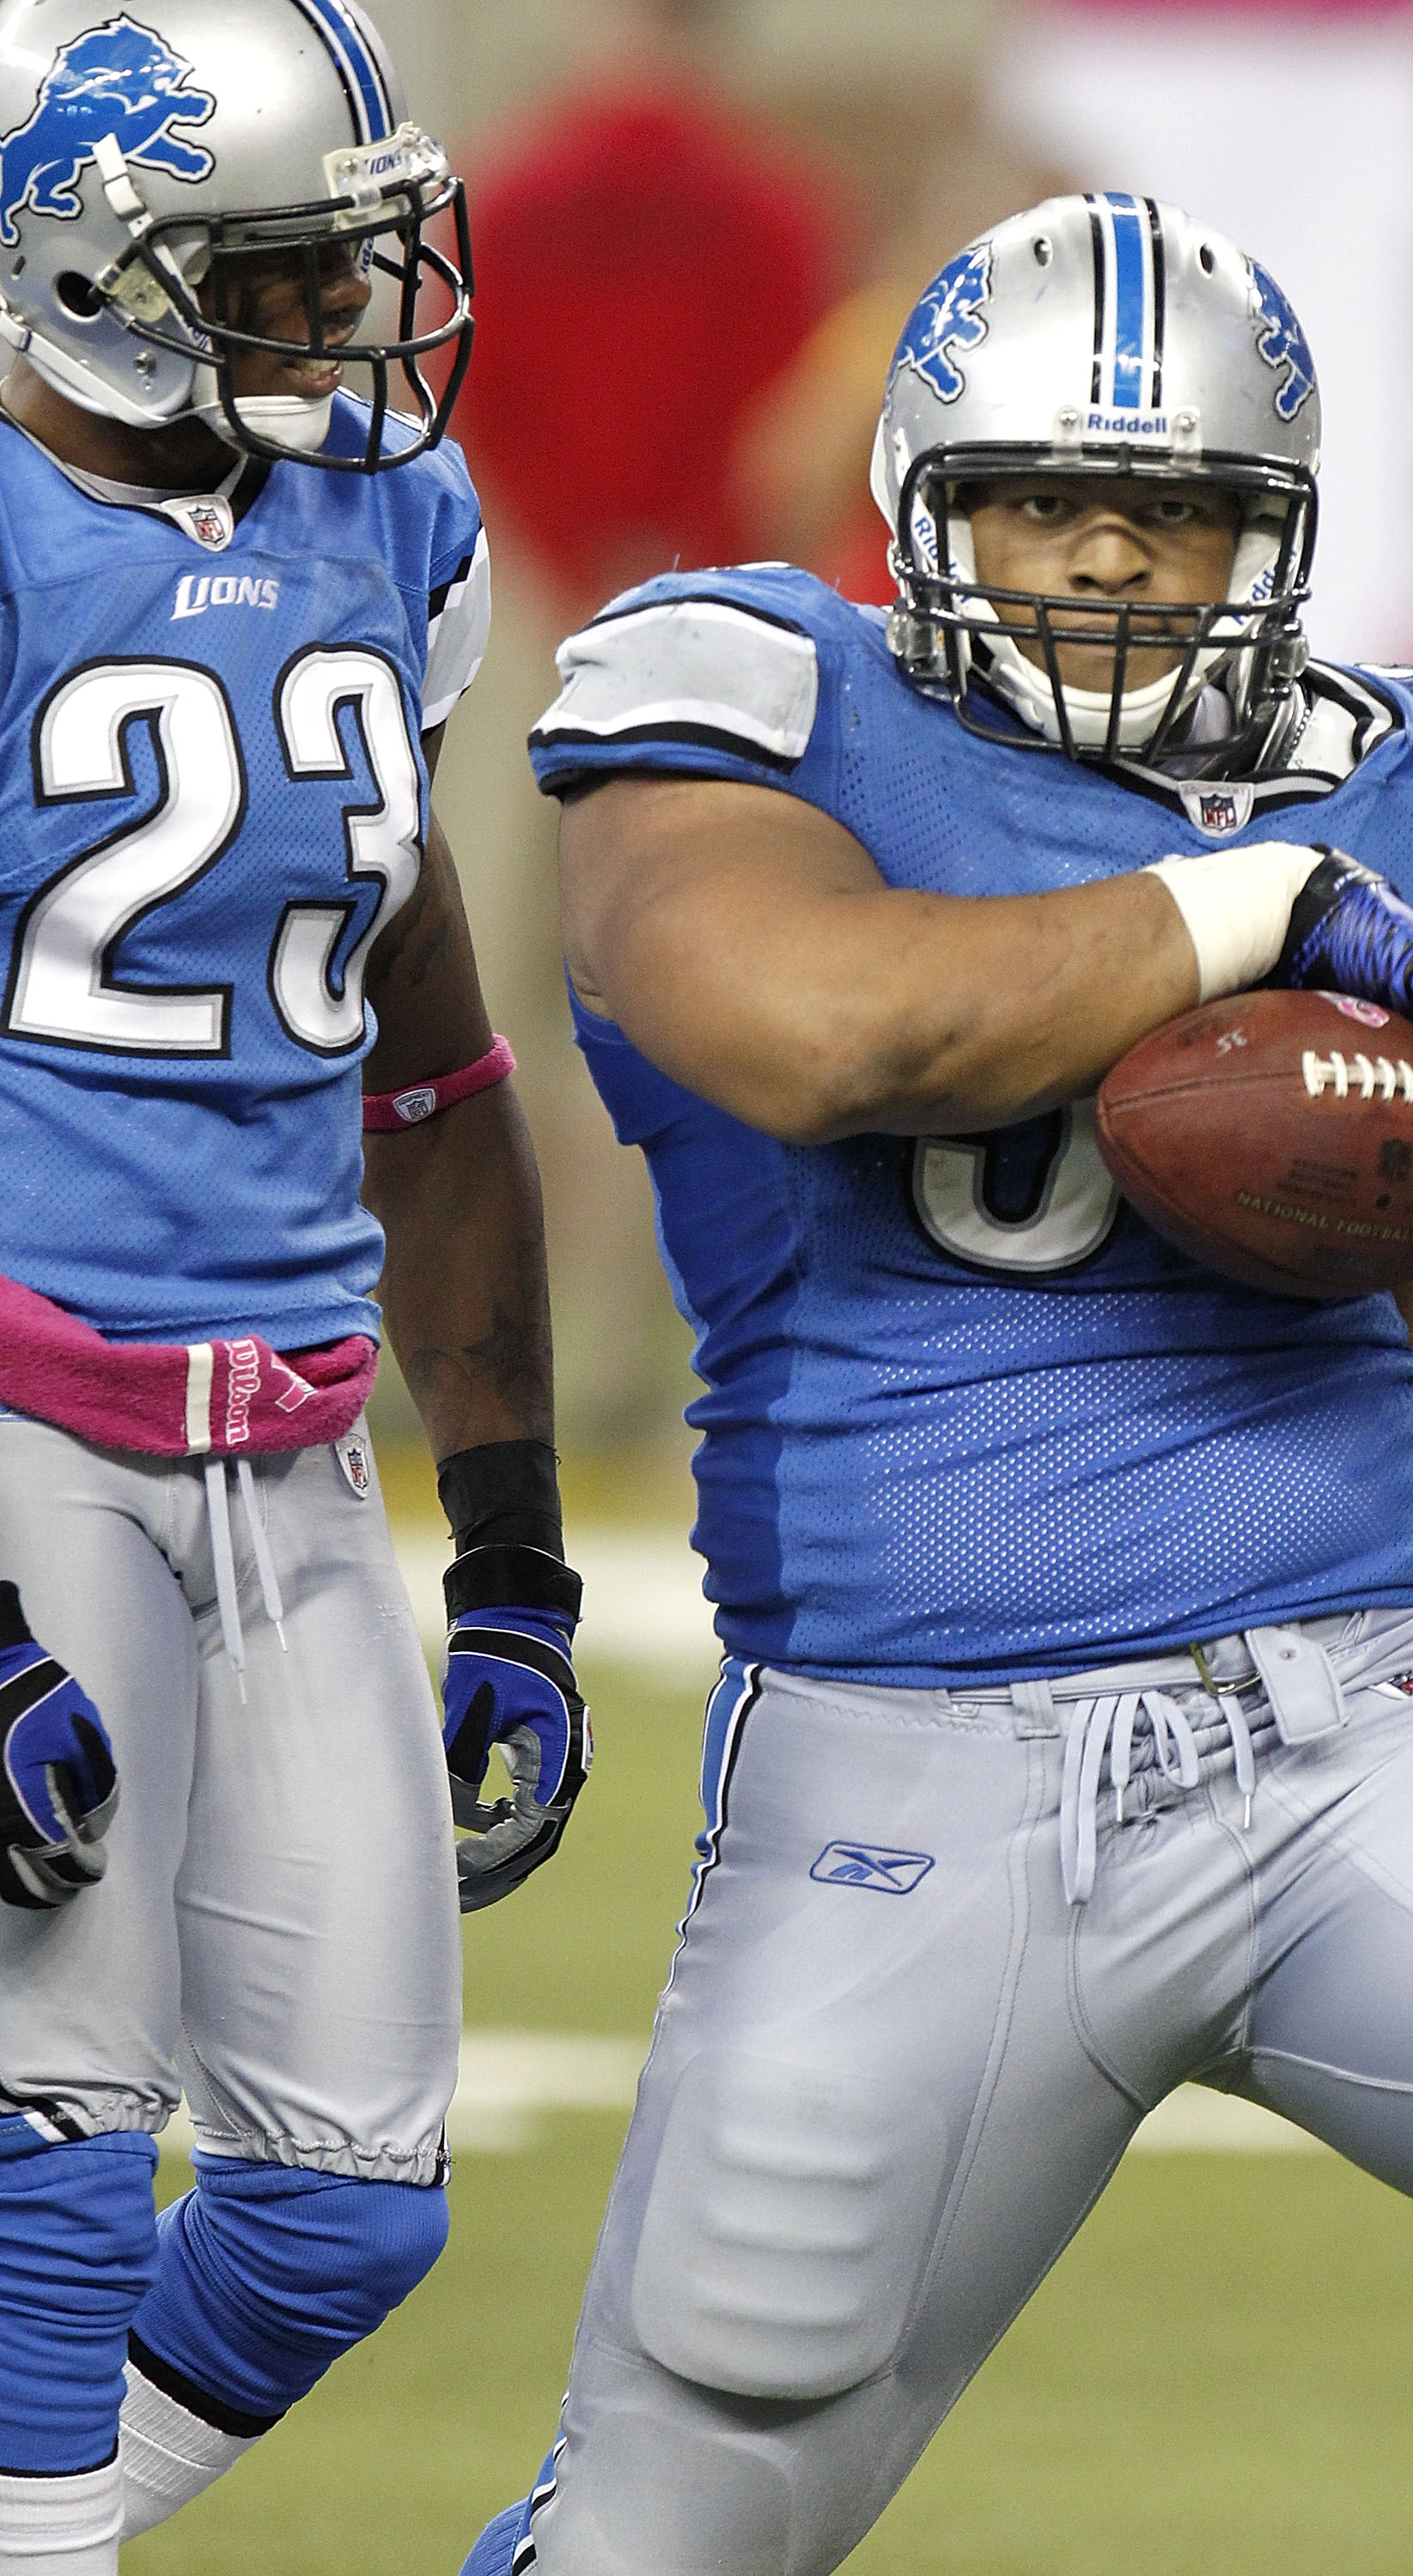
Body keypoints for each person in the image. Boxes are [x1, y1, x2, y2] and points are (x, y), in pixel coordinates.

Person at [467, 197, 1413, 2576]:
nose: (1094, 568)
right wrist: (1248, 910)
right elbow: (818, 1026)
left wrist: (1297, 1572)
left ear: (1267, 540)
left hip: (1345, 1719)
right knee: (670, 2534)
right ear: (915, 503)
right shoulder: (747, 689)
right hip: (915, 1770)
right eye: (1037, 502)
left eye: (1164, 517)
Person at [0, 5, 589, 2568]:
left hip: (291, 1437)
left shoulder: (388, 524)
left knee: (341, 2202)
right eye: (279, 277)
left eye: (357, 267)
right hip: (26, 1412)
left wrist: (526, 1550)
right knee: (42, 2166)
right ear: (97, 270)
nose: (353, 326)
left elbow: (430, 1069)